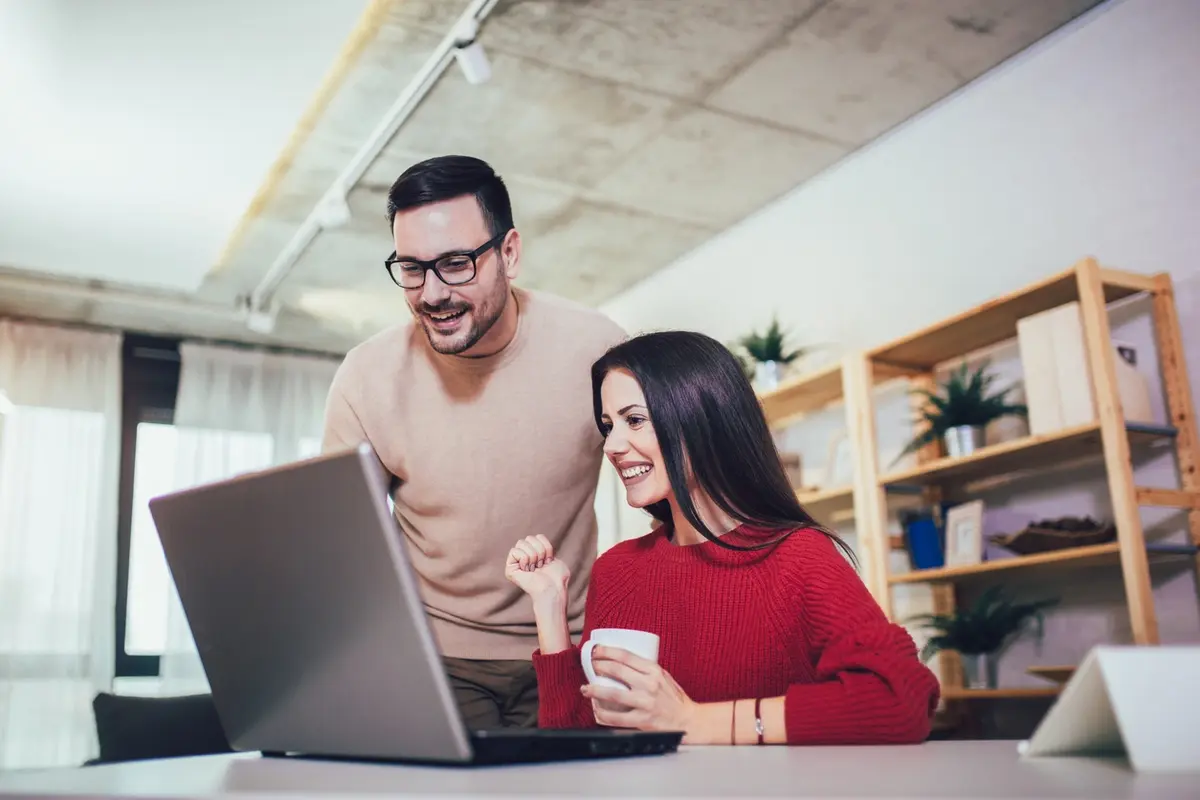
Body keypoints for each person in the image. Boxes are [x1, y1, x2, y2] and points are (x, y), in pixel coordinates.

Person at [504, 331, 941, 745]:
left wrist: (694, 721)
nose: (612, 445)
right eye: (608, 425)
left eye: (634, 420)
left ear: (702, 421)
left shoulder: (798, 556)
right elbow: (582, 738)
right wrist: (550, 608)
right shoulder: (617, 571)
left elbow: (901, 699)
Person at [322, 155, 626, 730]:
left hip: (567, 646)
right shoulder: (367, 377)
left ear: (509, 253)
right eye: (411, 269)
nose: (432, 293)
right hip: (434, 658)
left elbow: (664, 492)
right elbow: (344, 546)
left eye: (456, 264)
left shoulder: (597, 349)